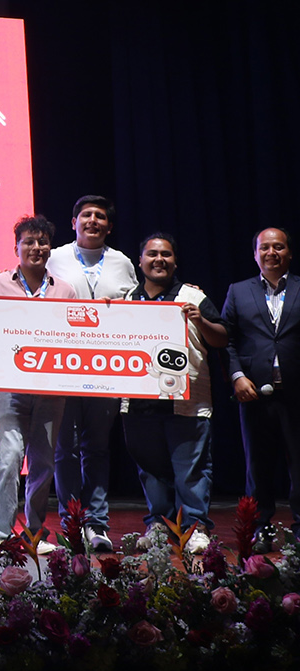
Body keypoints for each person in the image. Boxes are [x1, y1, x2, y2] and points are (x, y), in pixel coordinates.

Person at [0, 215, 76, 553]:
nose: (36, 247)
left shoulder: (65, 290)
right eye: (29, 242)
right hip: (11, 389)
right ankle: (1, 534)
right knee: (9, 457)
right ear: (16, 247)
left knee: (43, 463)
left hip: (51, 391)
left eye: (42, 242)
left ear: (50, 247)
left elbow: (75, 336)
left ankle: (34, 532)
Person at [120, 233, 226, 554]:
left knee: (191, 469)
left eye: (166, 254)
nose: (159, 260)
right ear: (140, 261)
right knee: (150, 469)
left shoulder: (193, 297)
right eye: (152, 254)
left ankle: (195, 527)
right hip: (139, 402)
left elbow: (222, 338)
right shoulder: (126, 301)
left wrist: (201, 321)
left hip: (187, 402)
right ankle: (158, 525)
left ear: (175, 261)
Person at [46, 195, 138, 552]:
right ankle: (72, 523)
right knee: (64, 450)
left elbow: (136, 309)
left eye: (100, 216)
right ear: (74, 223)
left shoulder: (122, 263)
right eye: (86, 215)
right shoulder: (54, 257)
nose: (93, 221)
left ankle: (97, 524)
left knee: (97, 449)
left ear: (109, 227)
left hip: (106, 369)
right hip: (63, 367)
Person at [224, 227, 300, 552]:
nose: (272, 253)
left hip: (296, 395)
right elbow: (226, 340)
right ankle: (261, 528)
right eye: (265, 247)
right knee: (258, 467)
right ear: (255, 254)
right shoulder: (238, 291)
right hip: (253, 393)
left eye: (278, 247)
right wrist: (237, 376)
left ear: (289, 253)